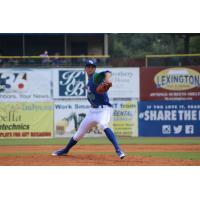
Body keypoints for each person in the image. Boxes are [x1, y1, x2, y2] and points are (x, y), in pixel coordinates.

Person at [52, 59, 125, 159]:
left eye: (92, 67)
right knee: (78, 134)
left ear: (94, 69)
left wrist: (107, 79)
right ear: (85, 69)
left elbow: (108, 72)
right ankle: (65, 150)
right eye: (88, 67)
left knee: (104, 124)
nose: (90, 68)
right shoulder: (89, 81)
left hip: (103, 109)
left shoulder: (95, 77)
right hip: (92, 112)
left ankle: (118, 150)